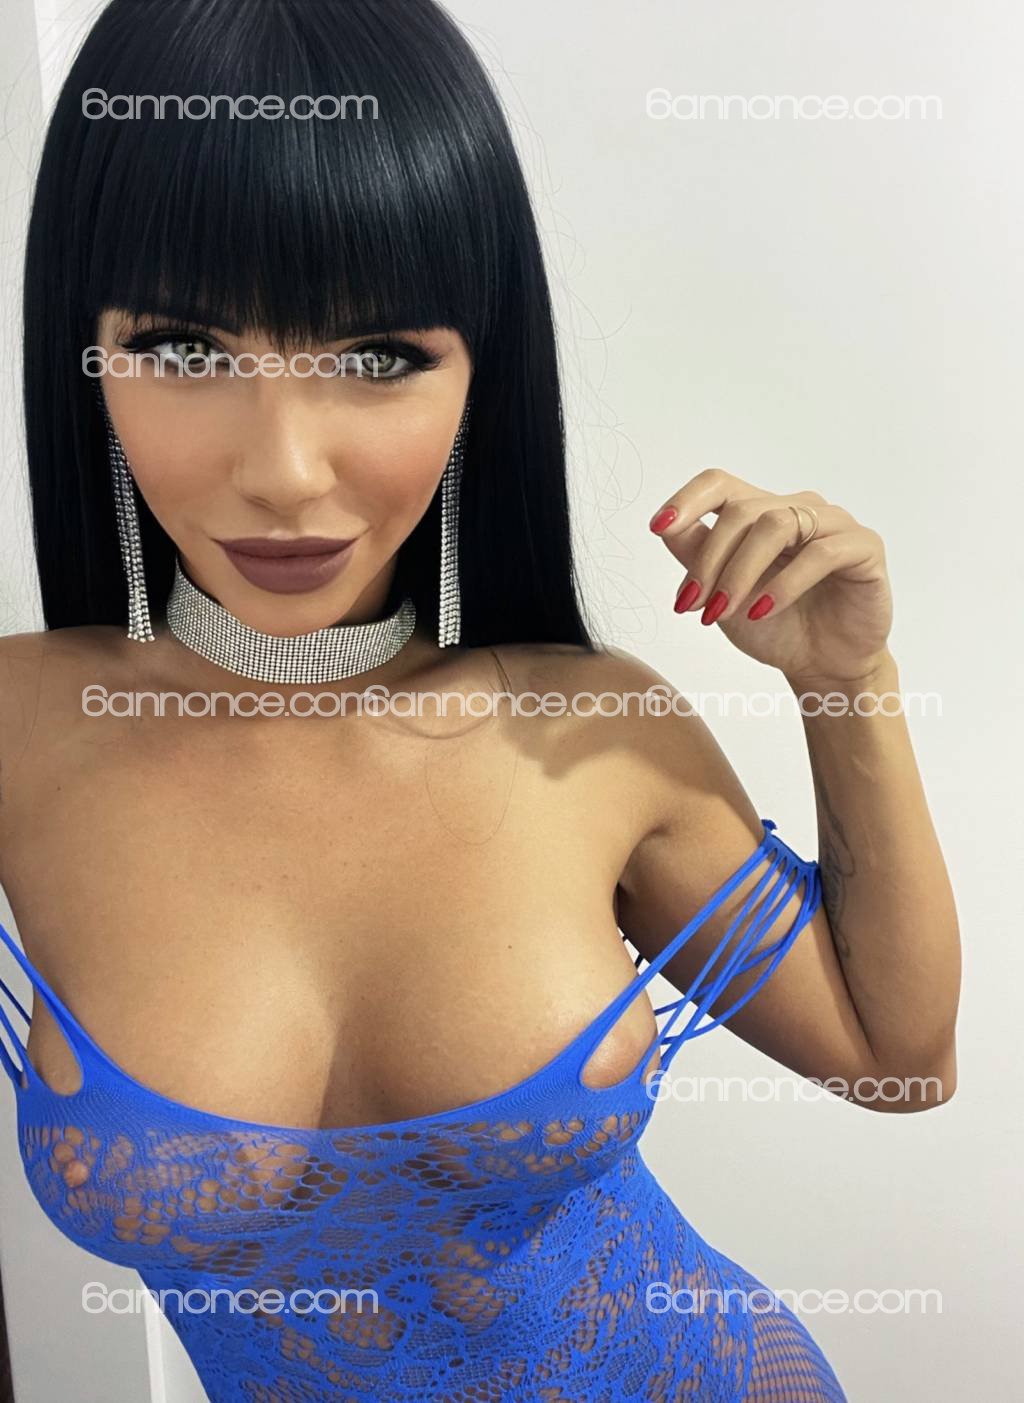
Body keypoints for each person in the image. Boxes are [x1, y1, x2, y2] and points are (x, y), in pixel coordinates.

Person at [0, 1, 959, 1399]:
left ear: (479, 374)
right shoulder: (22, 734)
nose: (284, 471)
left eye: (377, 357)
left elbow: (897, 1059)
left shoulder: (595, 728)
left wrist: (848, 683)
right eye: (189, 353)